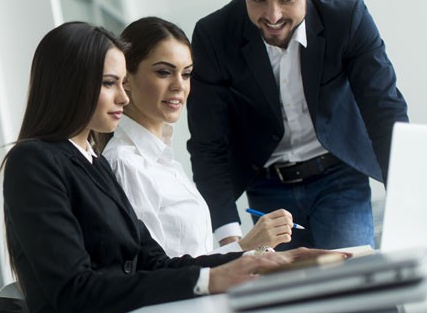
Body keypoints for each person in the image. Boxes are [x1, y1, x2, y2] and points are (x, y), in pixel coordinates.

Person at [0, 21, 330, 313]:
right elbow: (74, 291)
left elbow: (155, 263)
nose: (123, 96)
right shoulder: (34, 161)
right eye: (109, 83)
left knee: (295, 307)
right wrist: (212, 278)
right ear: (70, 85)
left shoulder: (94, 162)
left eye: (122, 83)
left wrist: (257, 260)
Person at [187, 0, 409, 251]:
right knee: (291, 297)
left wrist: (412, 212)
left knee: (354, 289)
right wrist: (228, 237)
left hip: (338, 179)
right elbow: (208, 145)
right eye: (257, 0)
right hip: (265, 189)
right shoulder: (214, 36)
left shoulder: (348, 19)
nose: (272, 16)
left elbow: (384, 111)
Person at [103, 17, 294, 258]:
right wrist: (245, 247)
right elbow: (154, 272)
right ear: (126, 79)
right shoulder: (125, 163)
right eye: (164, 72)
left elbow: (191, 259)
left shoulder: (163, 160)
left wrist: (255, 251)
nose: (179, 86)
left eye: (186, 74)